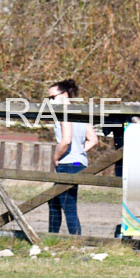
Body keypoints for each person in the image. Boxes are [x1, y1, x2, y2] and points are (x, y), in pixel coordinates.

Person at [47, 79, 98, 235]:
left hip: (67, 164)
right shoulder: (79, 113)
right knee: (54, 201)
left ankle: (75, 239)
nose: (50, 101)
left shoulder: (64, 113)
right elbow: (93, 139)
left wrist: (56, 157)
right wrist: (79, 151)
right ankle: (52, 235)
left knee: (68, 205)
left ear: (65, 94)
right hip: (78, 163)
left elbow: (66, 140)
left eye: (52, 97)